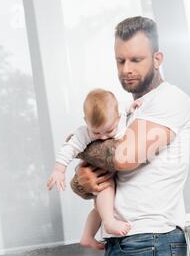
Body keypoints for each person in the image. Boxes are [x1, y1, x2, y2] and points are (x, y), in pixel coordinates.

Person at [71, 16, 190, 256]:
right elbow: (99, 175)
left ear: (157, 58)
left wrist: (80, 149)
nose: (126, 70)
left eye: (136, 60)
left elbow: (123, 157)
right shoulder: (130, 111)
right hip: (118, 244)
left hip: (151, 241)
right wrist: (81, 181)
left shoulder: (170, 100)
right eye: (120, 61)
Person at [47, 88, 142, 244]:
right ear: (86, 122)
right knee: (106, 187)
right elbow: (68, 148)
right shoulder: (83, 133)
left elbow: (124, 107)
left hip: (112, 168)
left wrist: (132, 106)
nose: (103, 137)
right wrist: (59, 170)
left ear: (118, 118)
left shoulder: (121, 114)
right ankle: (109, 223)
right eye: (96, 133)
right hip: (99, 170)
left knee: (100, 208)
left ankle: (87, 237)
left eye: (109, 131)